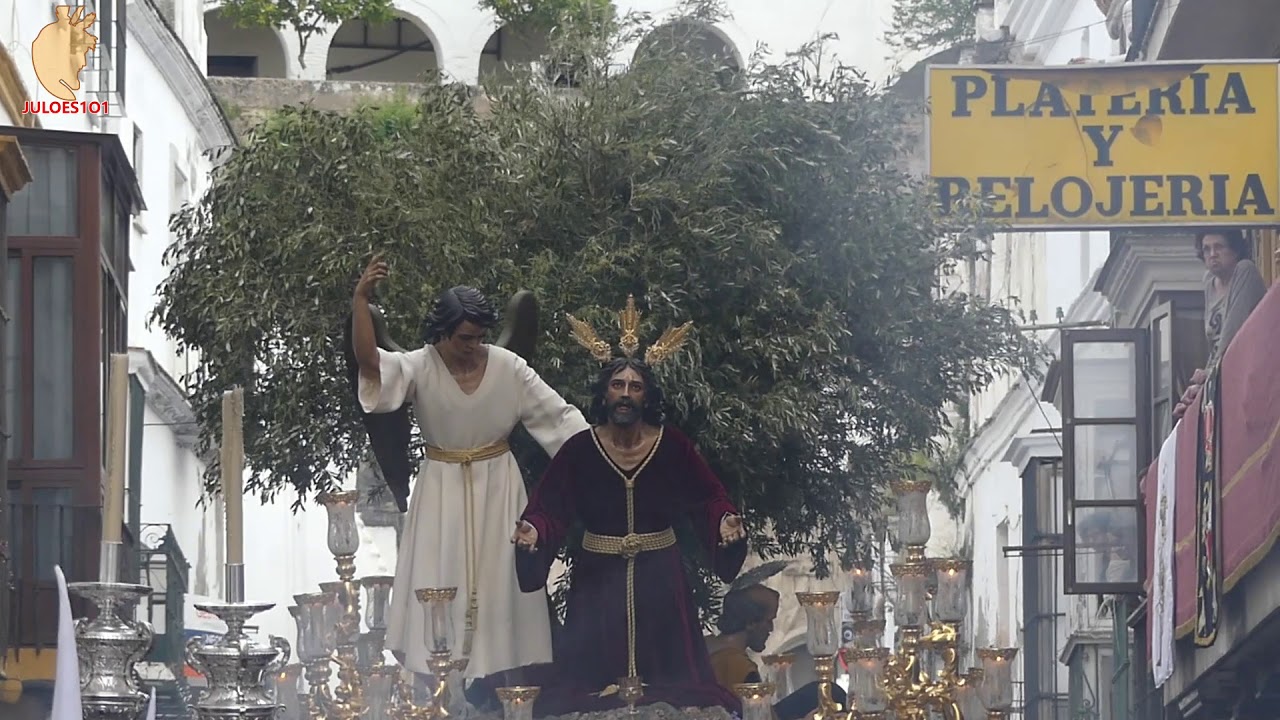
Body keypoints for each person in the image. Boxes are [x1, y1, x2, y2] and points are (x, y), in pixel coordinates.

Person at [348, 254, 590, 688]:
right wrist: (360, 301)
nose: (473, 345)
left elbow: (559, 418)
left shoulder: (507, 366)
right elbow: (370, 365)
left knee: (503, 590)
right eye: (464, 337)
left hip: (499, 487)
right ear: (443, 332)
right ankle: (438, 694)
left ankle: (506, 698)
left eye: (479, 337)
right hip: (441, 489)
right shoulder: (419, 366)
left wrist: (603, 458)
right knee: (438, 586)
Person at [511, 296, 749, 716]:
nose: (625, 394)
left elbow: (707, 496)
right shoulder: (580, 450)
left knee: (674, 693)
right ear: (605, 393)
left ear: (646, 396)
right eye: (618, 386)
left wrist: (724, 521)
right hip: (597, 582)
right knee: (590, 692)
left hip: (662, 580)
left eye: (634, 387)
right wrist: (535, 530)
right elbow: (550, 506)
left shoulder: (671, 446)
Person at [706, 584, 848, 720]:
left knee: (821, 691)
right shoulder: (738, 665)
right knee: (830, 694)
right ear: (750, 623)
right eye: (768, 621)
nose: (771, 628)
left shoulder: (707, 646)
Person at [1173, 229, 1268, 420]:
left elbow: (1232, 333)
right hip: (1222, 374)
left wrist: (1208, 377)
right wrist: (1201, 384)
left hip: (1250, 371)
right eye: (1206, 249)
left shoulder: (1245, 271)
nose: (1212, 254)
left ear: (1235, 250)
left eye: (1219, 247)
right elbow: (1213, 343)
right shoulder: (1209, 283)